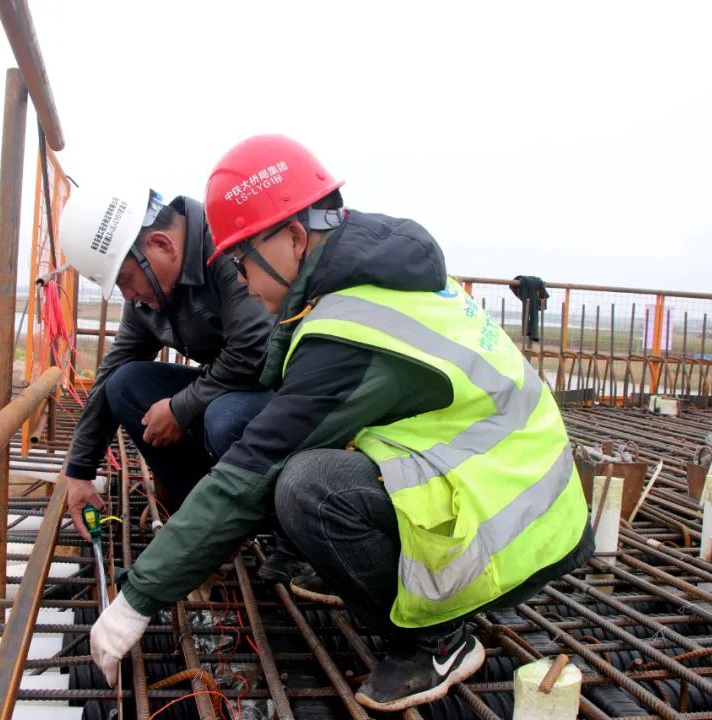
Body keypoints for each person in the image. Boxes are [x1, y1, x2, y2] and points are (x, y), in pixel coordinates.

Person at [89, 136, 594, 711]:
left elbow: (250, 469)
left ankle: (435, 642)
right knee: (276, 452)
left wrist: (136, 599)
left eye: (240, 261)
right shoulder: (365, 274)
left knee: (306, 487)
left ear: (295, 239)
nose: (242, 282)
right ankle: (359, 570)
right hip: (514, 488)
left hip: (519, 528)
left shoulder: (352, 326)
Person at [59, 187, 274, 539]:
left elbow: (255, 349)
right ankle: (205, 520)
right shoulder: (147, 299)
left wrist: (181, 407)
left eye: (126, 280)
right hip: (228, 388)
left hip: (285, 390)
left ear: (162, 245)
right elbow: (112, 372)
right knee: (126, 385)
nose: (128, 296)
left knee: (225, 418)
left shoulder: (225, 246)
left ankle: (273, 524)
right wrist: (79, 470)